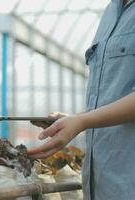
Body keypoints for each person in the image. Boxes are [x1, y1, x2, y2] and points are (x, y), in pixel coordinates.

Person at [27, 0, 135, 199]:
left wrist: (82, 122)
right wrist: (74, 119)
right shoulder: (111, 12)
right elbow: (115, 98)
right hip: (102, 187)